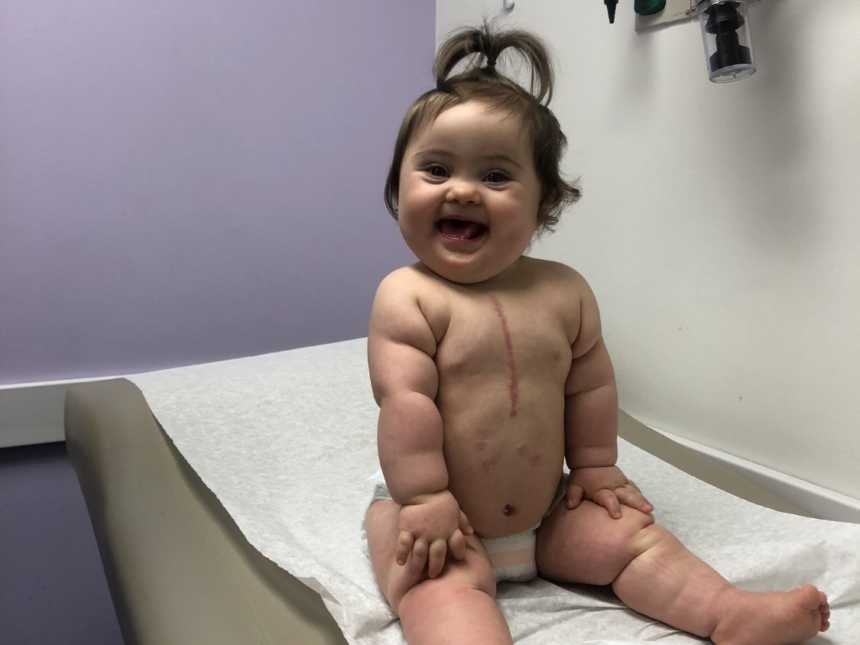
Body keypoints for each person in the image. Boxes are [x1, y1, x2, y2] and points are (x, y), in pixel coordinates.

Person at [363, 24, 830, 645]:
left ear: (544, 204)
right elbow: (406, 403)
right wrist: (422, 497)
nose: (463, 189)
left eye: (497, 176)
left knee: (634, 542)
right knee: (438, 586)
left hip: (549, 509)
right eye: (436, 169)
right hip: (442, 519)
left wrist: (595, 468)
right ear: (401, 188)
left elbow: (589, 387)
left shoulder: (565, 291)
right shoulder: (407, 295)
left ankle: (726, 614)